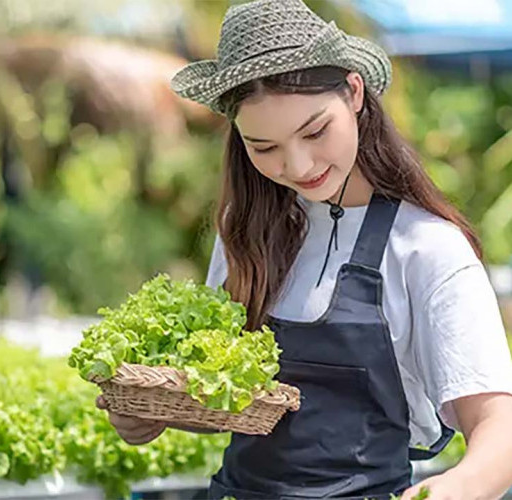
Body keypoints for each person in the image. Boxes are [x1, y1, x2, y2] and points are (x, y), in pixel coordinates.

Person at [95, 0, 512, 498]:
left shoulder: (426, 249)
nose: (297, 165)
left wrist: (452, 490)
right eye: (263, 147)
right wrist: (154, 411)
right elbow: (236, 401)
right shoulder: (245, 230)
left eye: (314, 131)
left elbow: (499, 431)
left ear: (354, 92)